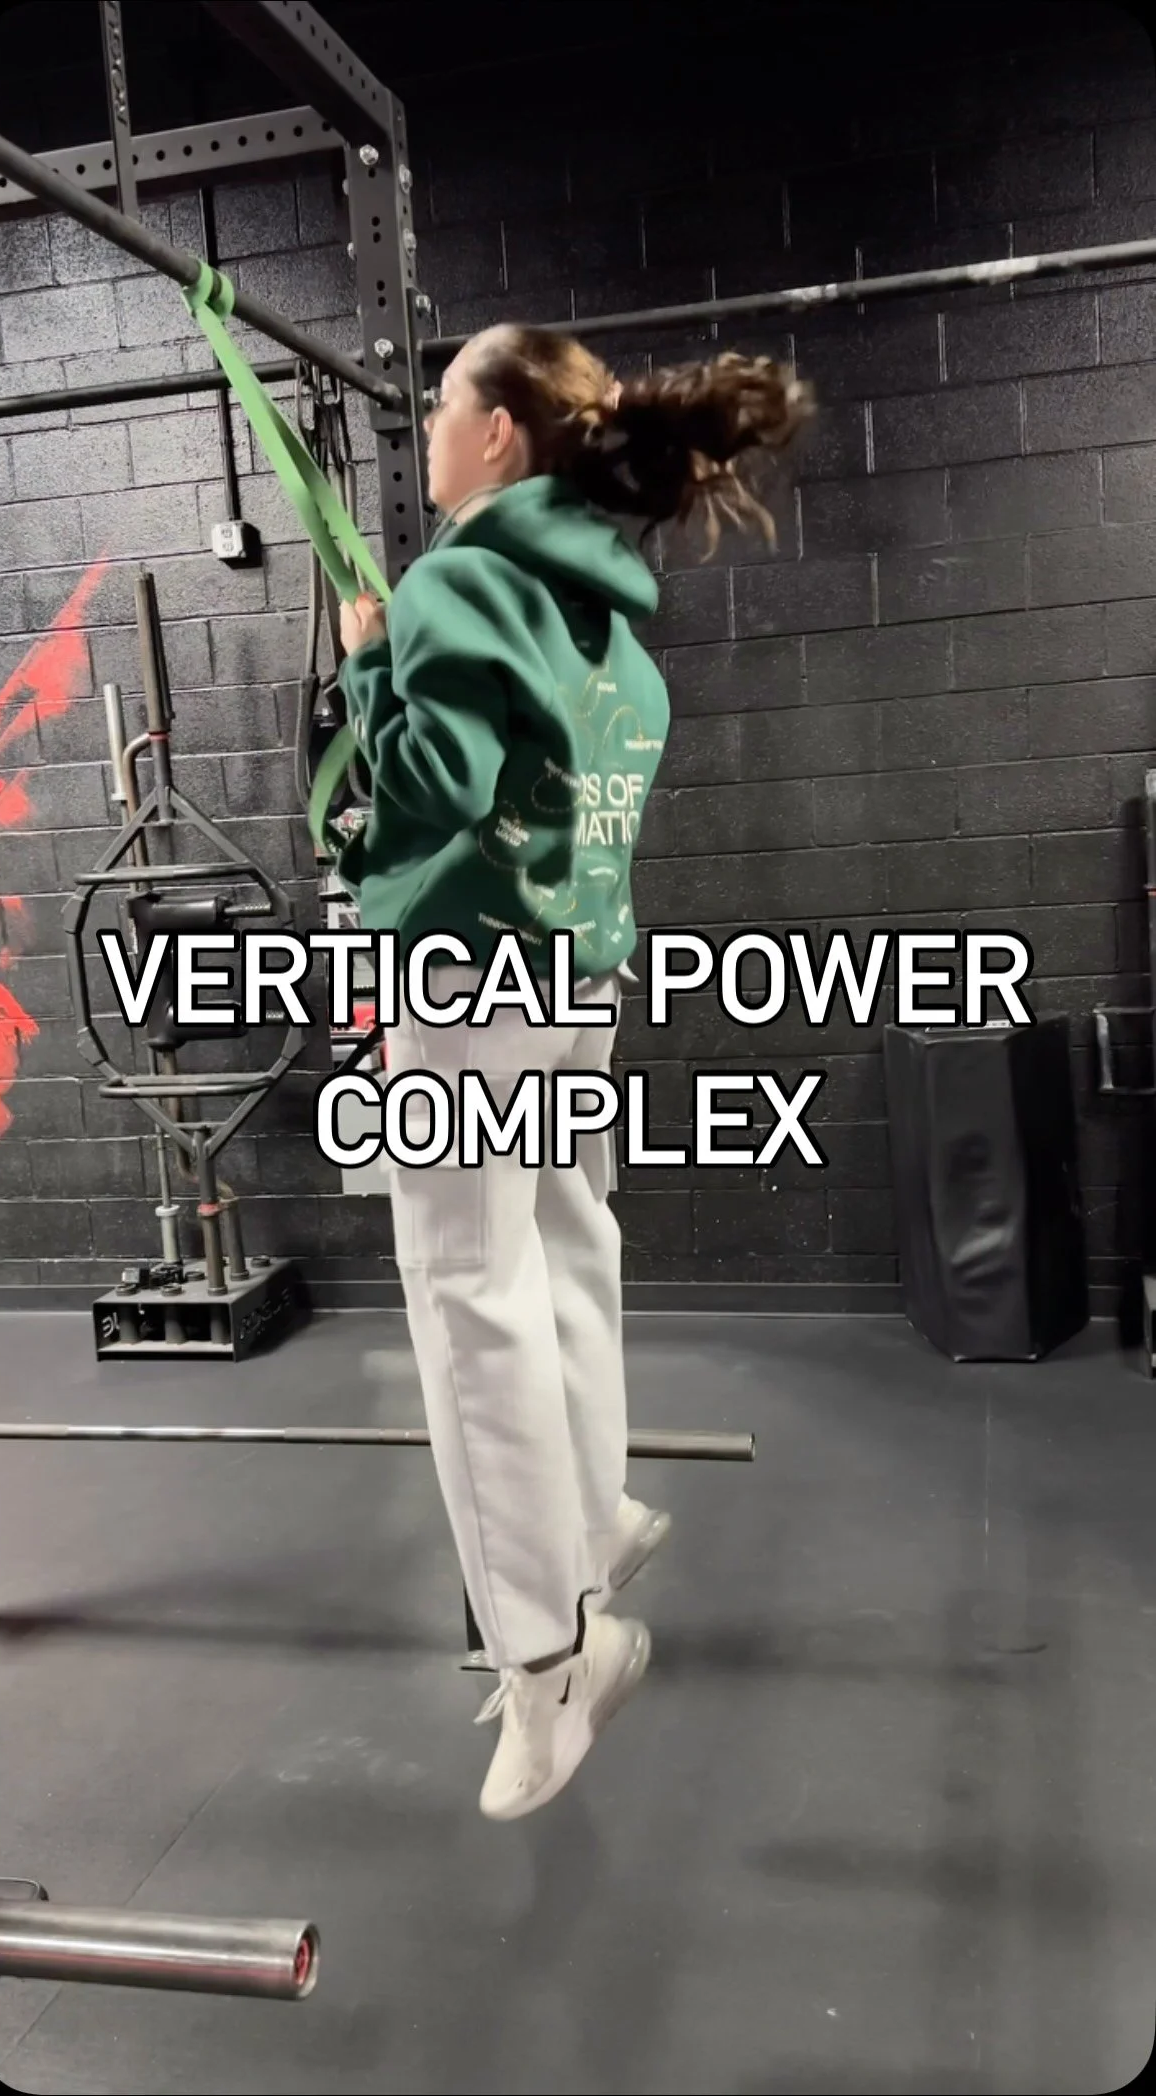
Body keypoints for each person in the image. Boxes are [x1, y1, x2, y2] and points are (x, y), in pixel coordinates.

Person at [336, 324, 812, 1821]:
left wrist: (366, 670)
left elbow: (430, 787)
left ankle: (549, 1661)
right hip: (572, 968)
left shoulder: (456, 584)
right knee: (560, 1242)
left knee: (464, 1293)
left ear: (498, 435)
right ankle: (594, 1516)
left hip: (465, 971)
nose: (424, 429)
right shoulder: (609, 626)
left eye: (440, 406)